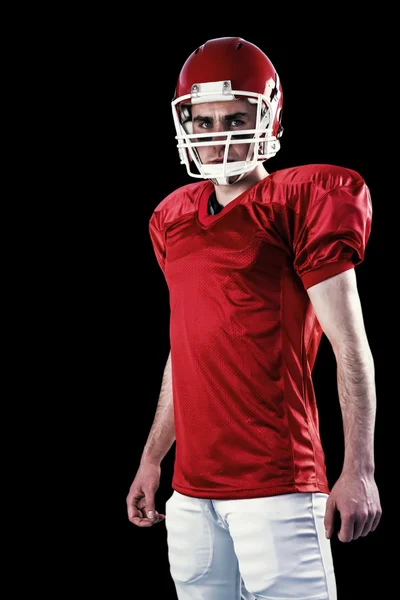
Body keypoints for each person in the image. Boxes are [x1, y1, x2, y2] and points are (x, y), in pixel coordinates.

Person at [126, 36, 382, 599]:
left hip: (279, 484)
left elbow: (350, 348)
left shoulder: (301, 202)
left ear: (267, 118)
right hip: (192, 495)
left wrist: (358, 468)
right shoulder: (172, 218)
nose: (219, 136)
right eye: (206, 120)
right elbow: (185, 350)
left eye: (235, 118)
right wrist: (152, 458)